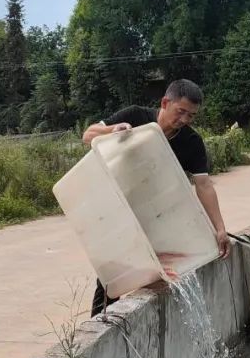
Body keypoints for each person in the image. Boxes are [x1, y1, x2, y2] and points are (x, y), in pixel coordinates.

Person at [83, 78, 230, 315]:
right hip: (119, 208)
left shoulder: (191, 142)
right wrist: (113, 130)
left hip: (158, 214)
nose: (184, 120)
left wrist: (220, 228)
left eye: (191, 116)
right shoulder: (135, 117)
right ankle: (101, 324)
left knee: (155, 273)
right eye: (180, 112)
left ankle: (144, 323)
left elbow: (203, 184)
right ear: (165, 102)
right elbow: (88, 135)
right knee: (112, 274)